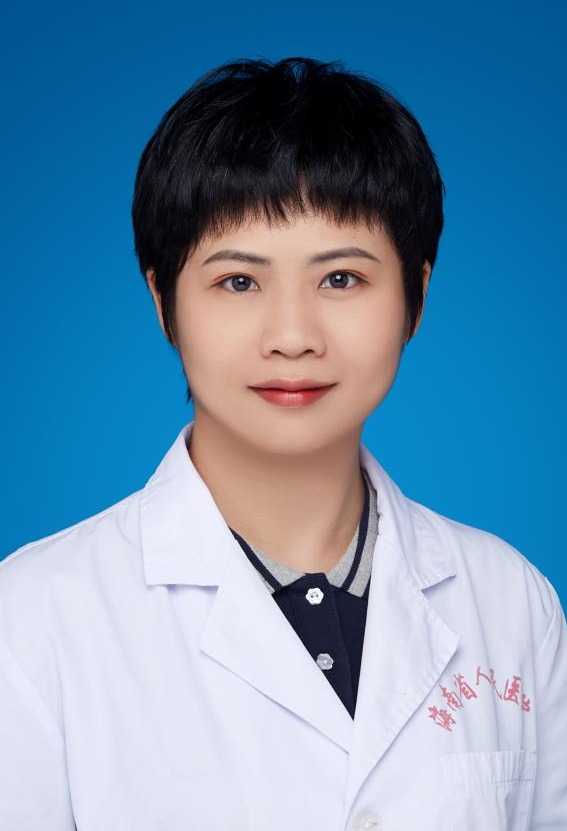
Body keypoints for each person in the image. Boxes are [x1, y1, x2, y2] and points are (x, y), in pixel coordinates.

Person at [0, 56, 565, 831]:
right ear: (162, 300)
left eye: (340, 279)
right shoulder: (32, 616)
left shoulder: (508, 599)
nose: (292, 336)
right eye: (238, 281)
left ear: (416, 295)